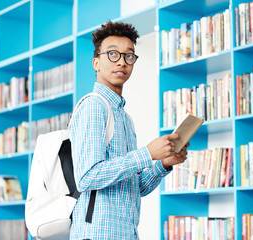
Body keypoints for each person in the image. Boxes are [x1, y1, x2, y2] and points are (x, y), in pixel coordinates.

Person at [68, 20, 189, 240]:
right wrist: (147, 154)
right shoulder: (94, 106)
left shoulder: (125, 118)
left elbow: (133, 189)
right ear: (96, 62)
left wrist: (162, 164)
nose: (122, 62)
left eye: (128, 56)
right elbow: (87, 177)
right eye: (112, 54)